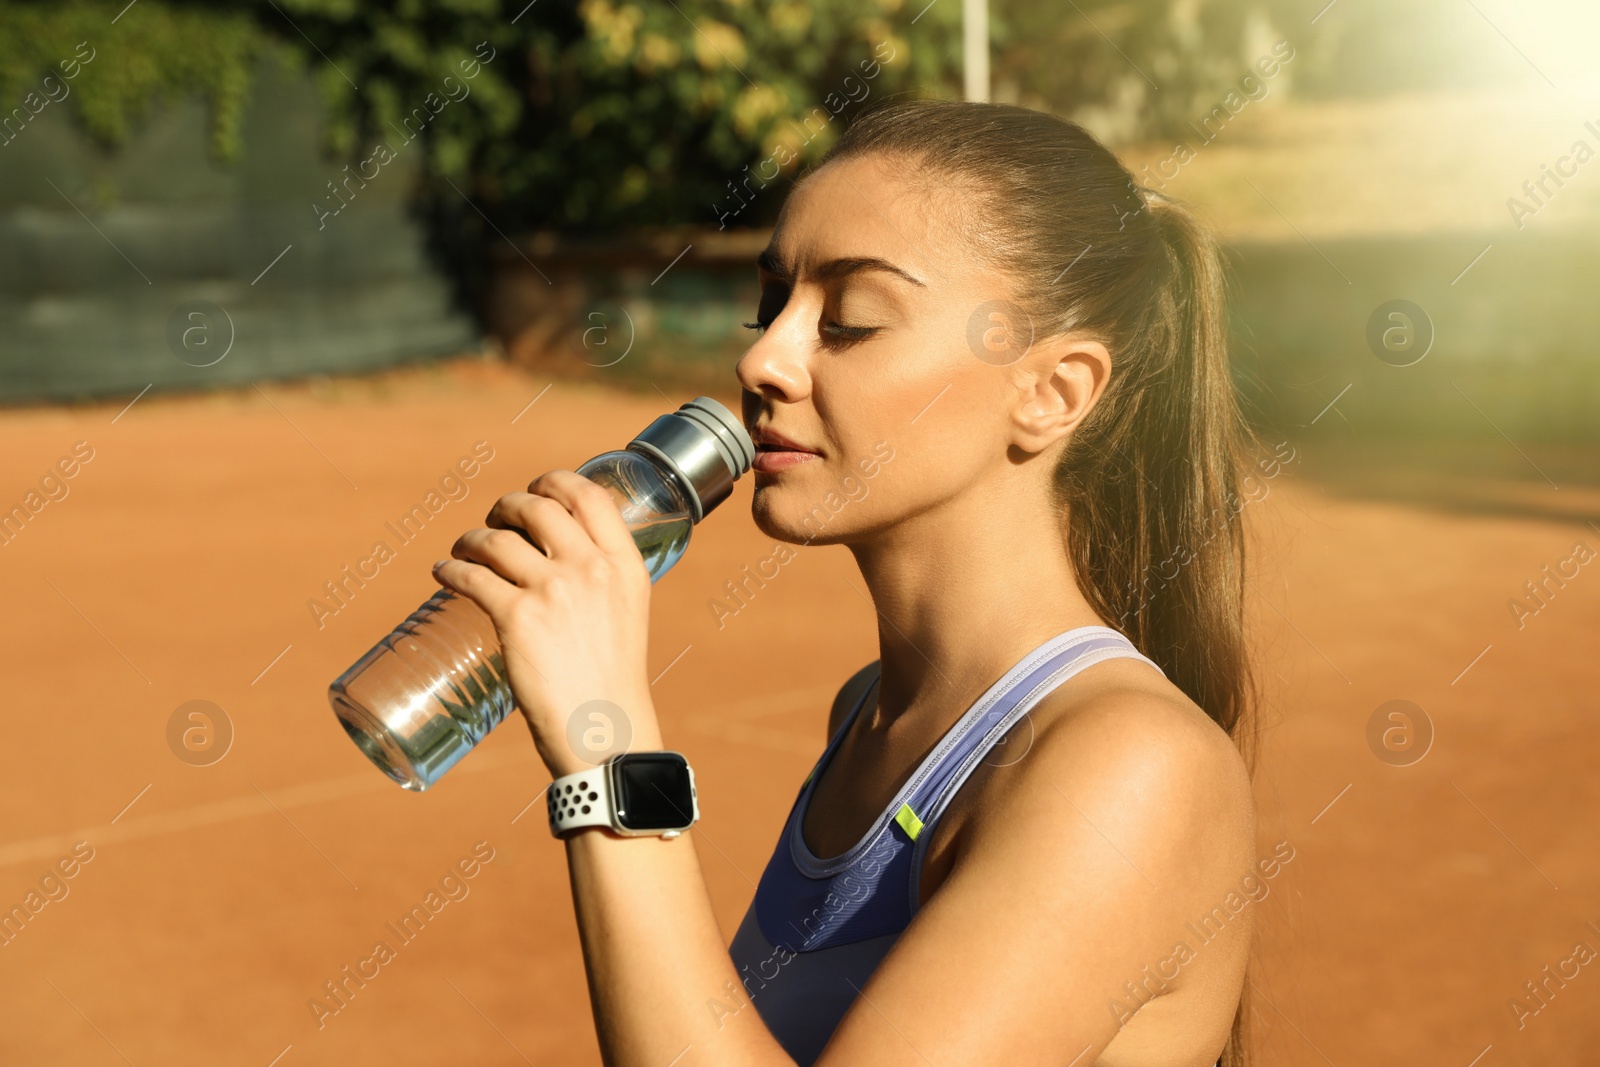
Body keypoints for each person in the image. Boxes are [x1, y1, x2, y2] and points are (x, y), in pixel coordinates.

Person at [433, 99, 1260, 1067]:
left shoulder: (1129, 767)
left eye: (852, 320)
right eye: (771, 302)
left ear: (1051, 392)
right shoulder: (867, 715)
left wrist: (605, 751)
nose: (761, 357)